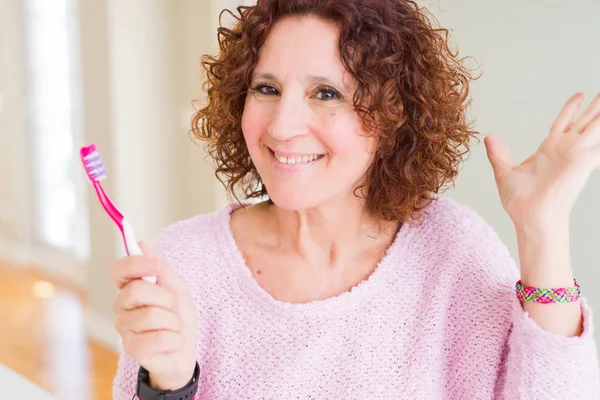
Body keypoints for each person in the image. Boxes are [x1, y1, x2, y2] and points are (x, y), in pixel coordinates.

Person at [111, 0, 600, 398]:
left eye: (326, 94)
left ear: (392, 113)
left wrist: (542, 228)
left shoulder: (451, 250)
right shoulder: (183, 263)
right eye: (267, 88)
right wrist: (168, 386)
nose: (281, 126)